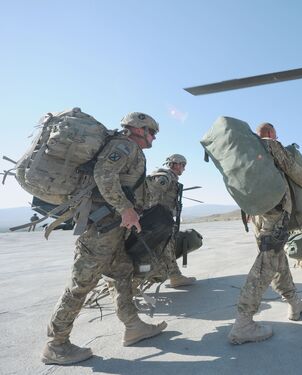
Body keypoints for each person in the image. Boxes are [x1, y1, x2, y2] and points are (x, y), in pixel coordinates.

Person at [41, 112, 166, 365]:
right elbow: (104, 174)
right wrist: (125, 208)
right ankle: (56, 344)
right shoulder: (123, 145)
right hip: (101, 229)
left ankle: (133, 326)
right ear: (139, 129)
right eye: (152, 132)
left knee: (121, 272)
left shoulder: (129, 148)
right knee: (81, 285)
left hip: (112, 229)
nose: (153, 137)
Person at [228, 122, 302, 345]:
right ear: (271, 133)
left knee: (277, 260)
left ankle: (294, 303)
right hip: (275, 214)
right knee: (266, 265)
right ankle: (243, 323)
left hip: (257, 215)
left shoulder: (248, 151)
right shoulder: (271, 146)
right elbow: (294, 171)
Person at [145, 154, 196, 288]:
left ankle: (175, 276)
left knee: (168, 249)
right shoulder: (165, 177)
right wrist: (154, 218)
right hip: (157, 221)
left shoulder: (171, 178)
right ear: (175, 164)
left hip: (162, 220)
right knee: (164, 249)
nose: (184, 169)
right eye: (183, 165)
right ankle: (174, 277)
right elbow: (151, 197)